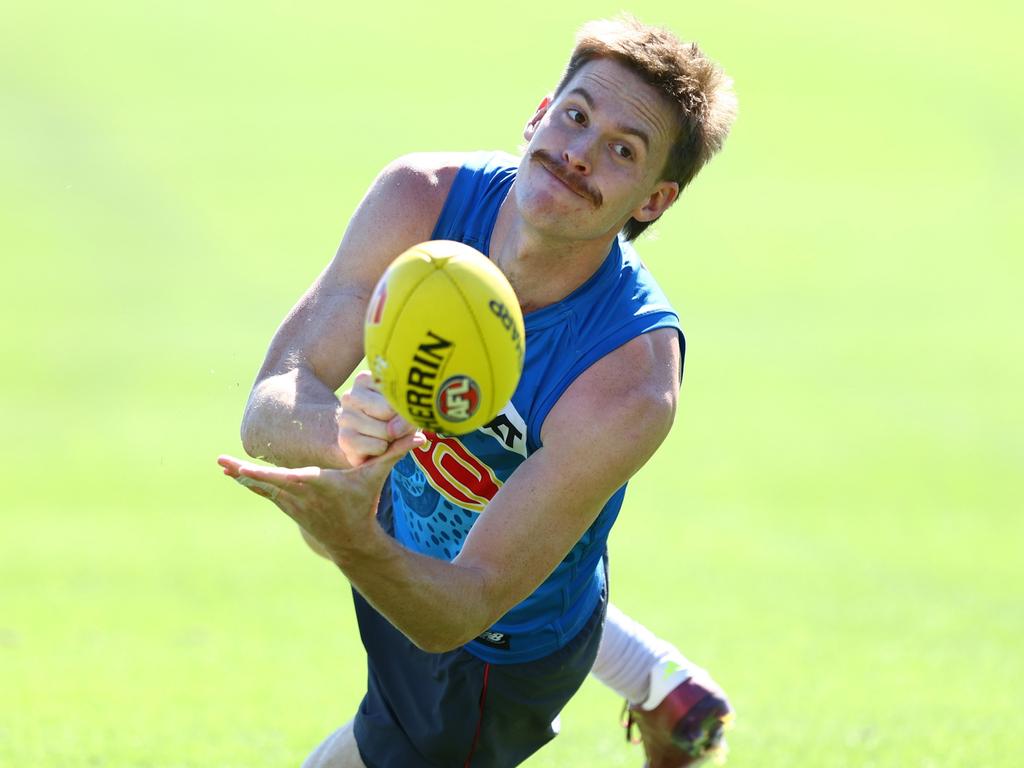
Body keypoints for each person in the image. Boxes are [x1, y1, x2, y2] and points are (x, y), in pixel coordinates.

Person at [218, 15, 737, 767]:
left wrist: (352, 535)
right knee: (395, 506)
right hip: (405, 527)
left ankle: (652, 681)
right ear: (537, 114)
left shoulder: (630, 381)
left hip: (496, 655)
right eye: (576, 116)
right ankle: (660, 681)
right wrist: (347, 438)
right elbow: (272, 399)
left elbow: (461, 608)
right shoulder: (419, 199)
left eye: (622, 151)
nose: (578, 155)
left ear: (653, 202)